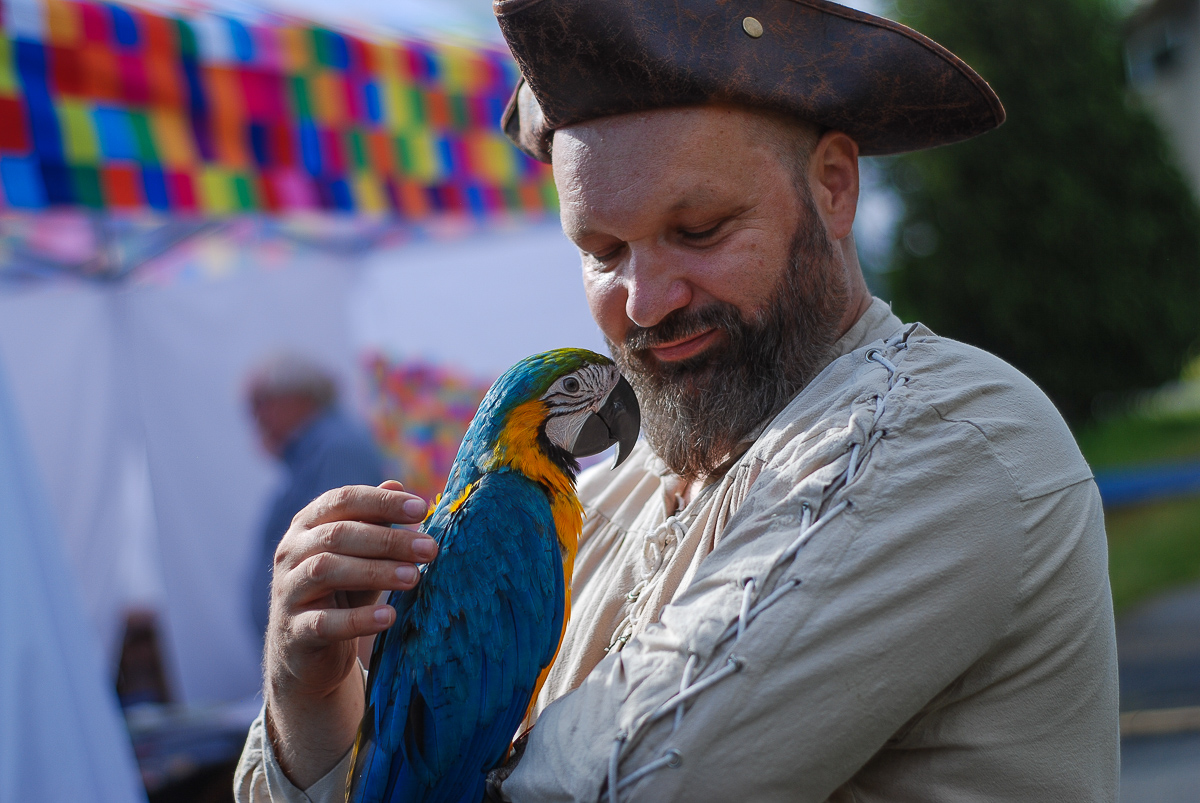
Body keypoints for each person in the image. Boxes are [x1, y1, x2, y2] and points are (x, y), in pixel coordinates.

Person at [236, 2, 1120, 801]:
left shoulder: (950, 435)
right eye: (602, 251)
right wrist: (308, 695)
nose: (646, 300)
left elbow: (625, 782)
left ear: (835, 188)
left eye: (698, 231)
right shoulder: (600, 495)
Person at [246, 353, 385, 643]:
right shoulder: (316, 449)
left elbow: (335, 550)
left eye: (260, 404)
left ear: (296, 398)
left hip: (326, 648)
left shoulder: (336, 448)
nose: (255, 419)